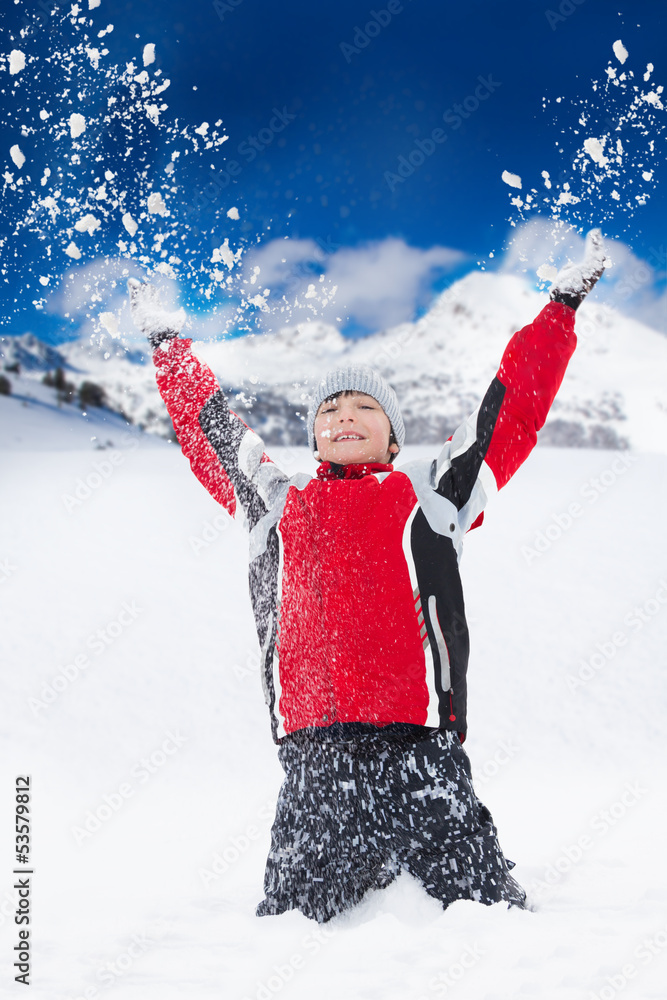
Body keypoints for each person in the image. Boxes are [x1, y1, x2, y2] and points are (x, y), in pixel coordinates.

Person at [128, 228, 606, 922]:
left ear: (393, 437)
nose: (342, 415)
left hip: (420, 749)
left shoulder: (432, 496)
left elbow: (510, 412)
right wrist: (169, 347)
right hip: (314, 758)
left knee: (481, 920)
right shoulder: (276, 502)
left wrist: (559, 309)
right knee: (298, 933)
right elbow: (212, 432)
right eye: (329, 409)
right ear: (314, 433)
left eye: (362, 407)